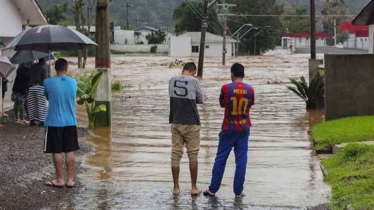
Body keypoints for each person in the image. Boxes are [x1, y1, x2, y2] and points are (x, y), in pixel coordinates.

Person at [204, 63, 255, 198]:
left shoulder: (226, 88)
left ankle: (212, 189)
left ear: (232, 74)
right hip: (244, 127)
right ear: (244, 75)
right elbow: (250, 105)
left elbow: (222, 104)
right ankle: (238, 192)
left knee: (221, 158)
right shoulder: (250, 89)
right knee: (241, 160)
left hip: (228, 127)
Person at [169, 62, 204, 196]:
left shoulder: (172, 80)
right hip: (192, 122)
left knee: (175, 154)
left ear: (183, 70)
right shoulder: (194, 81)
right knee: (193, 154)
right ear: (193, 72)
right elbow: (200, 99)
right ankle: (194, 187)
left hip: (176, 121)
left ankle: (176, 188)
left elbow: (172, 98)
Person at [43, 58, 79, 188]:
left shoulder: (47, 82)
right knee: (70, 150)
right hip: (70, 121)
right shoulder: (73, 82)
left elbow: (47, 96)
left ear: (55, 68)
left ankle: (60, 179)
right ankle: (70, 180)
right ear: (66, 68)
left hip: (54, 122)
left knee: (56, 150)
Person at [28, 58, 49, 126]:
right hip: (40, 87)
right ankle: (41, 121)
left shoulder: (33, 66)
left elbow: (28, 75)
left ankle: (32, 120)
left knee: (32, 105)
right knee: (41, 105)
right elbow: (45, 80)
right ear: (44, 60)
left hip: (31, 87)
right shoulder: (44, 68)